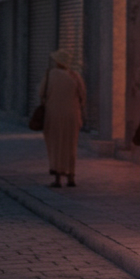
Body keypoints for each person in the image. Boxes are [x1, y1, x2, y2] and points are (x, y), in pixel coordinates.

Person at [40, 49, 86, 188]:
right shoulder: (75, 76)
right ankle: (71, 176)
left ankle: (58, 178)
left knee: (55, 145)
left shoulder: (50, 75)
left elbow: (42, 94)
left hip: (53, 115)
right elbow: (83, 97)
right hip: (72, 115)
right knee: (70, 145)